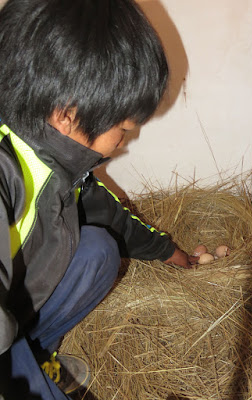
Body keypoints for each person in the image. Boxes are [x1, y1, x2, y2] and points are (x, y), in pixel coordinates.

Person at [0, 0, 198, 398]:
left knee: (99, 250)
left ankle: (38, 353)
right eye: (123, 129)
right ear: (66, 114)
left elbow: (108, 210)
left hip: (12, 316)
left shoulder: (56, 155)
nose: (124, 141)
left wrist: (171, 252)